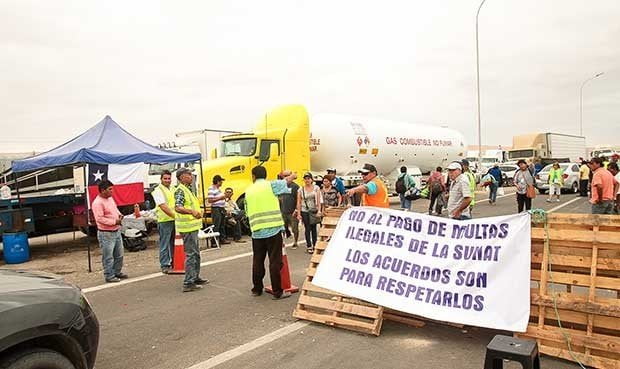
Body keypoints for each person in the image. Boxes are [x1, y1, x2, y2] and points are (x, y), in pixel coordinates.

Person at [245, 166, 297, 300]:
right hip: (273, 229)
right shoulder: (270, 185)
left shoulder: (249, 190)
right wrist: (291, 174)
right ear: (265, 175)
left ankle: (257, 288)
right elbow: (289, 180)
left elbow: (246, 210)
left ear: (253, 176)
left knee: (258, 260)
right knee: (275, 261)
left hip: (256, 231)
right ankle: (277, 291)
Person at [175, 168, 209, 292]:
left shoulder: (188, 189)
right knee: (191, 254)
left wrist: (199, 211)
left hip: (193, 226)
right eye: (188, 174)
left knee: (196, 253)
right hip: (187, 227)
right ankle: (188, 282)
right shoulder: (180, 190)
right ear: (181, 177)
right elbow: (178, 207)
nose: (191, 176)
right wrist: (192, 212)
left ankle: (195, 277)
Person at [92, 180, 128, 283]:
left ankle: (117, 271)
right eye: (110, 189)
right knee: (108, 256)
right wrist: (114, 221)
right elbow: (99, 219)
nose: (112, 191)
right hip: (106, 233)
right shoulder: (97, 203)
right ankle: (109, 275)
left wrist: (119, 214)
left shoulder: (110, 199)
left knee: (119, 254)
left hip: (116, 230)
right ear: (103, 190)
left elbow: (114, 209)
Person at [151, 170, 176, 274]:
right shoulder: (158, 190)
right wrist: (176, 216)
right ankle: (165, 264)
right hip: (165, 220)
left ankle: (175, 262)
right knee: (164, 244)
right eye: (165, 178)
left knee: (175, 243)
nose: (167, 180)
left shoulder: (173, 188)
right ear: (161, 179)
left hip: (174, 220)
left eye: (169, 178)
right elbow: (163, 206)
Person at [297, 172, 322, 254]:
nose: (307, 180)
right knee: (307, 228)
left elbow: (318, 200)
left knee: (314, 228)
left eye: (308, 178)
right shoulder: (301, 189)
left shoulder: (316, 188)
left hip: (313, 210)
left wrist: (319, 210)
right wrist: (299, 213)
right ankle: (309, 246)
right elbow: (299, 202)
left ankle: (315, 244)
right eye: (305, 178)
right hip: (305, 211)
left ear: (312, 179)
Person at [277, 170, 300, 249]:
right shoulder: (281, 186)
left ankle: (295, 242)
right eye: (284, 175)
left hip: (292, 211)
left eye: (287, 175)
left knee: (294, 228)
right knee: (283, 227)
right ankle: (284, 240)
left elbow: (299, 199)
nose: (286, 177)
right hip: (283, 211)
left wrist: (296, 210)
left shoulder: (295, 187)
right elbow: (279, 198)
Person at [208, 175, 231, 245]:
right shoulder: (211, 189)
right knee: (216, 225)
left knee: (222, 224)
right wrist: (220, 198)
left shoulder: (218, 189)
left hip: (221, 208)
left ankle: (222, 239)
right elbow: (210, 200)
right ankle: (213, 241)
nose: (222, 183)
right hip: (216, 208)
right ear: (218, 182)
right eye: (221, 181)